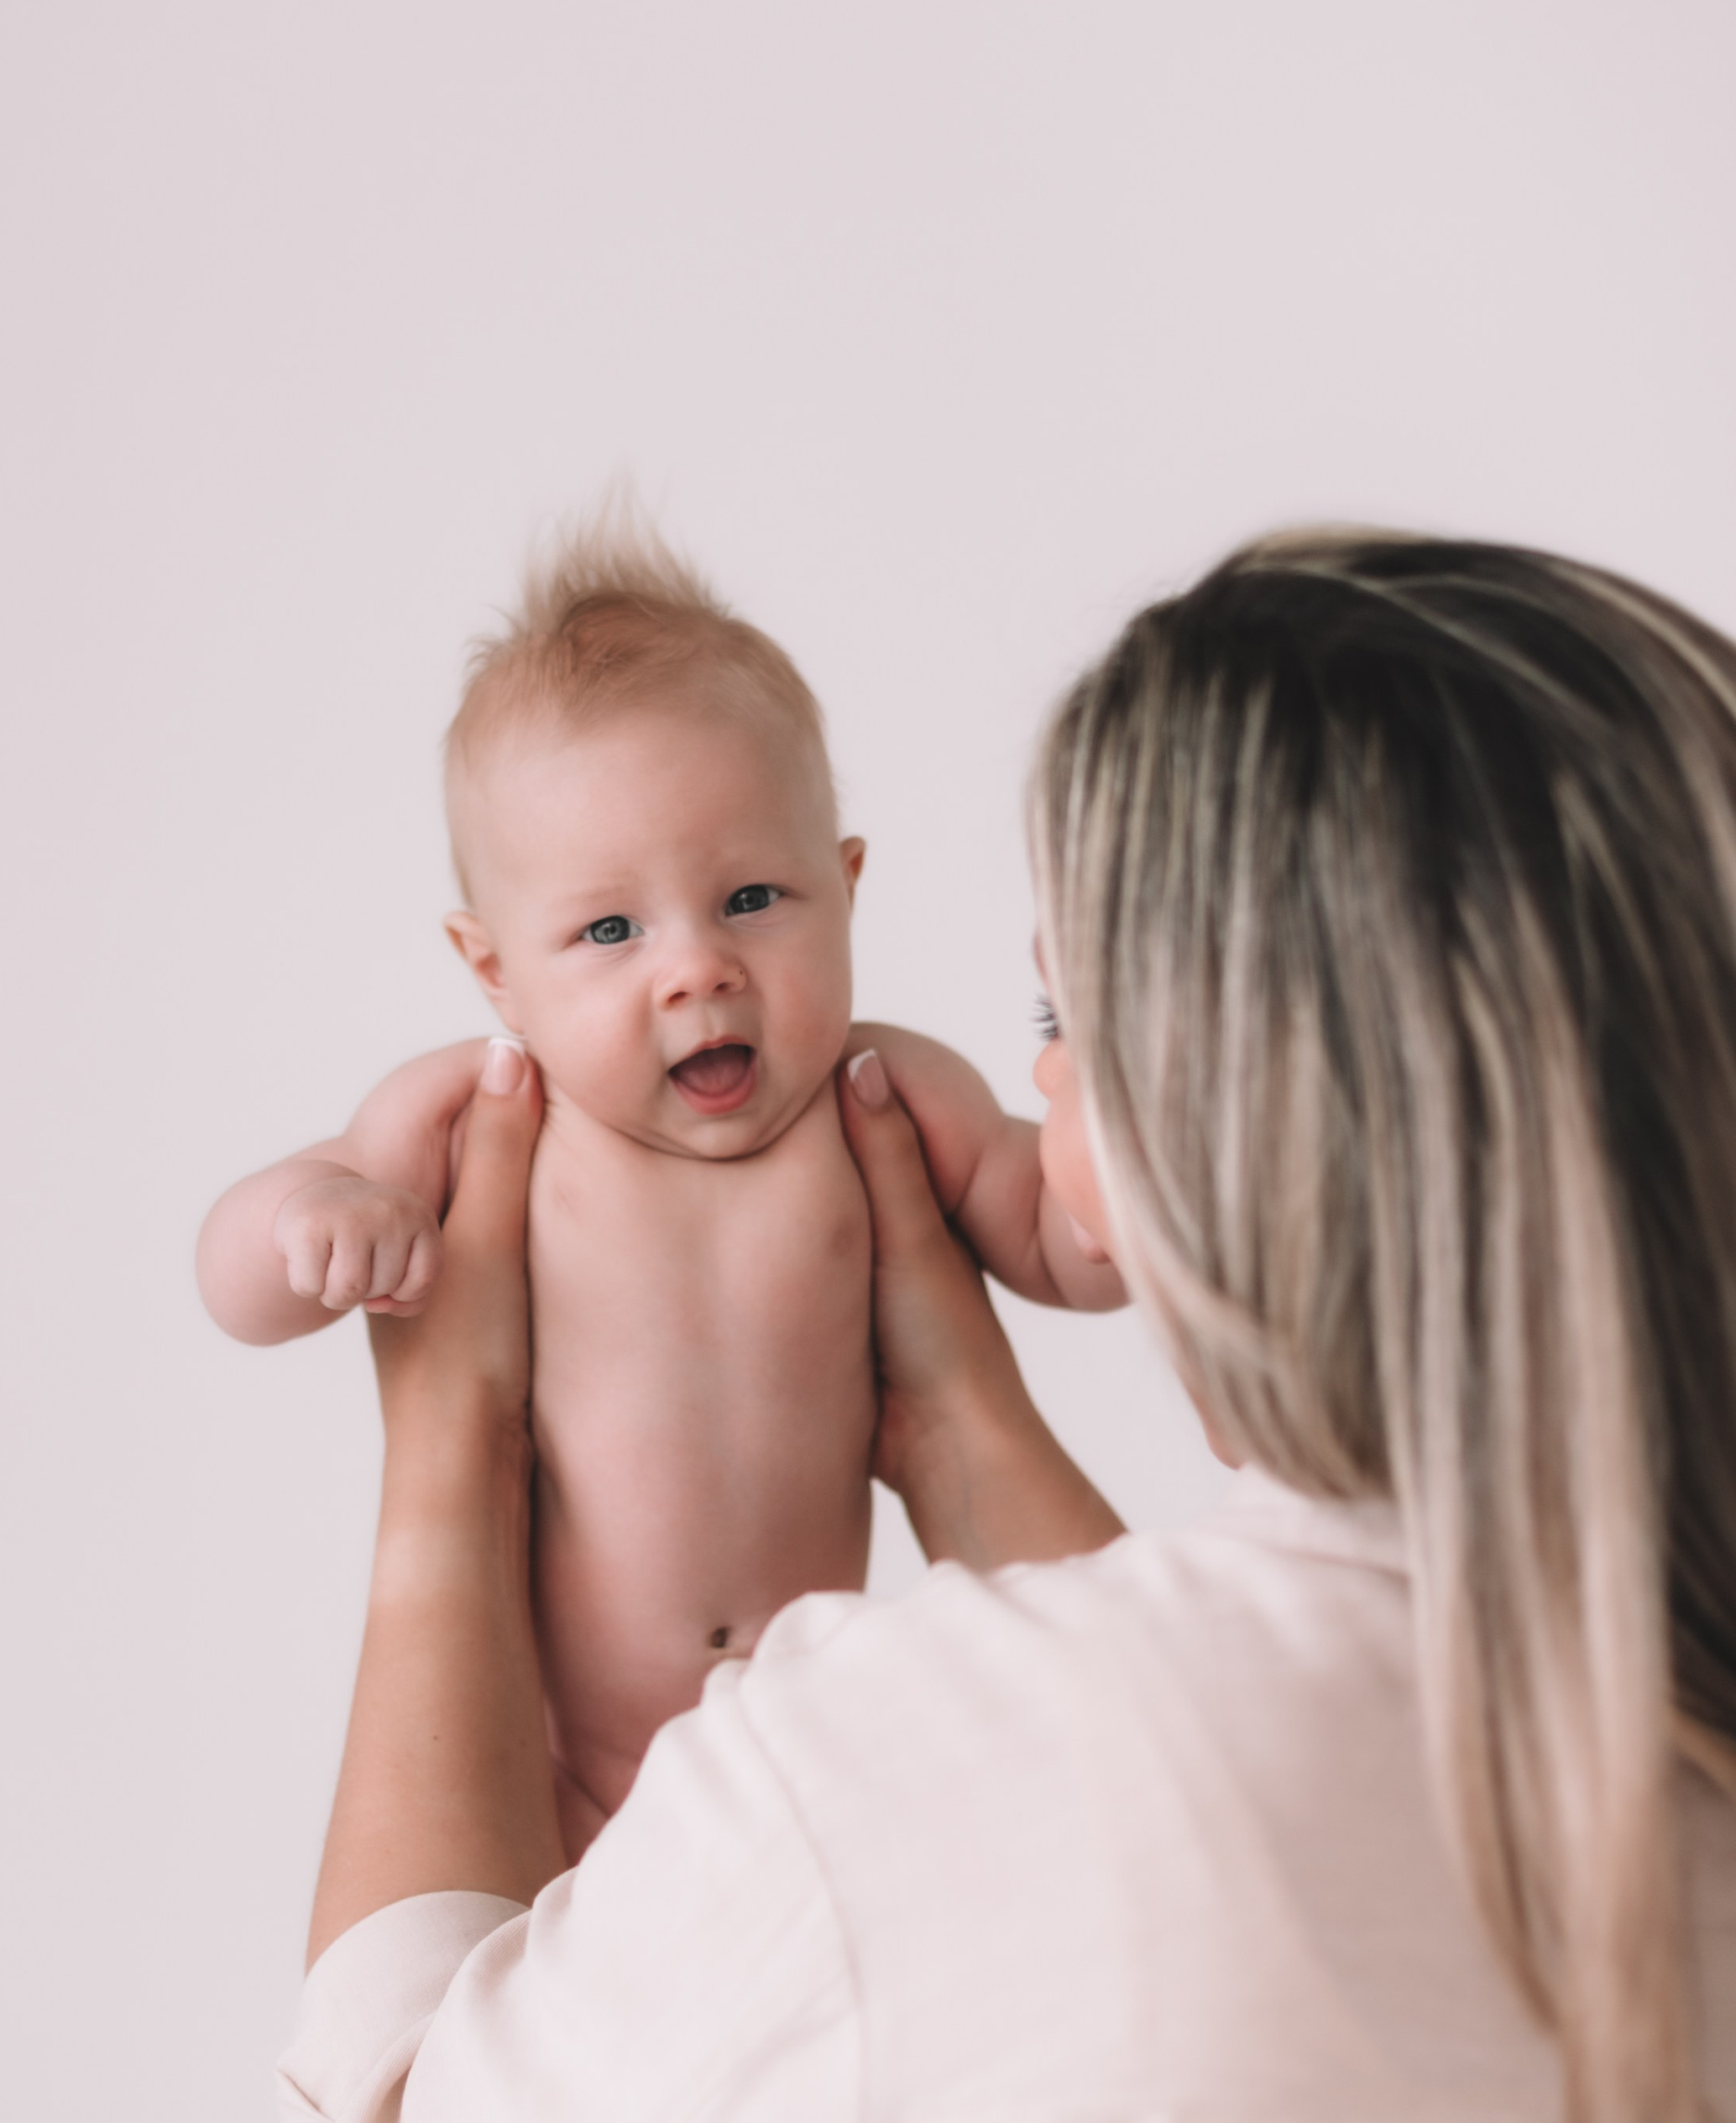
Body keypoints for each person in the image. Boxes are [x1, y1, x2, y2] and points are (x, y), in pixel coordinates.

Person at [279, 530, 1736, 2120]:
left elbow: (400, 2096)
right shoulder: (1667, 1779)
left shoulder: (867, 1774)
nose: (1040, 1089)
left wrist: (449, 1466)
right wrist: (967, 1433)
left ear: (1241, 1117)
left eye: (1070, 1025)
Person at [196, 520, 1120, 1856]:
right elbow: (238, 1284)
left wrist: (1150, 1193)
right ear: (495, 968)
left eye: (752, 896)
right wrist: (311, 1225)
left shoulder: (891, 1099)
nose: (697, 968)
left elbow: (1062, 1242)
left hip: (813, 1748)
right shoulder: (475, 1118)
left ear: (846, 889)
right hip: (557, 1777)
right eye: (611, 930)